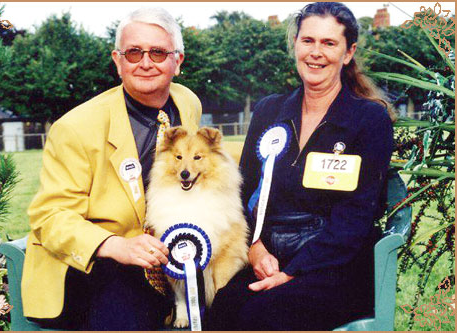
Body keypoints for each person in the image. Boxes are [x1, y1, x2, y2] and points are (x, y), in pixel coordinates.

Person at [207, 2, 395, 330]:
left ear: (348, 53)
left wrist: (292, 273)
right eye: (308, 41)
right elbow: (245, 193)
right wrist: (255, 248)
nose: (315, 53)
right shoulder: (268, 111)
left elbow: (355, 219)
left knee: (262, 316)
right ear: (295, 43)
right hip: (269, 255)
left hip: (336, 265)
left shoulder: (370, 120)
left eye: (329, 43)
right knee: (223, 308)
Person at [22, 7, 202, 330]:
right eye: (134, 53)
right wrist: (116, 246)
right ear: (118, 61)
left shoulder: (188, 103)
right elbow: (49, 217)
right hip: (95, 264)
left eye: (158, 53)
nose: (145, 63)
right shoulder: (75, 128)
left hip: (169, 257)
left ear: (178, 62)